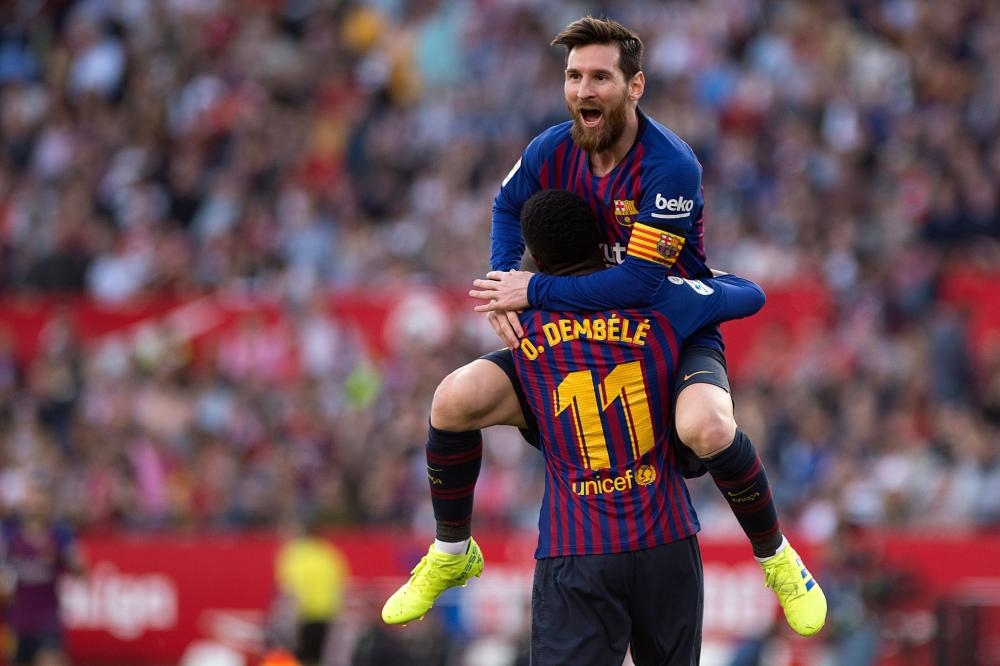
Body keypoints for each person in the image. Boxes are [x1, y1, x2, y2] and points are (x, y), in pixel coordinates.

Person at [384, 15, 825, 638]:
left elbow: (640, 286)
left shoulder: (669, 165)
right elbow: (507, 205)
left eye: (599, 77)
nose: (583, 90)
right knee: (453, 400)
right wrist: (504, 277)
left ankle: (778, 558)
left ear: (635, 85)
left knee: (704, 425)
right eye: (573, 76)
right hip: (575, 331)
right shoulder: (550, 149)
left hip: (667, 327)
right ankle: (452, 553)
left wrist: (531, 288)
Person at [396, 188, 765, 663]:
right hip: (666, 538)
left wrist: (526, 290)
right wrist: (687, 274)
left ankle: (451, 543)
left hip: (576, 547)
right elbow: (750, 295)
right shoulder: (658, 298)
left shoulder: (523, 319)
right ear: (603, 243)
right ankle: (774, 553)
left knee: (452, 400)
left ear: (536, 261)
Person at [0, 477, 86, 666]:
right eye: (32, 496)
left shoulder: (60, 534)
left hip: (47, 621)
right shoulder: (9, 533)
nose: (36, 502)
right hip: (17, 623)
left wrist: (71, 560)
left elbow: (81, 573)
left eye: (41, 497)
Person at [273, 518, 350, 666]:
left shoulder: (293, 554)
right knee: (317, 658)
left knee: (297, 658)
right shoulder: (329, 554)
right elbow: (340, 586)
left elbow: (290, 588)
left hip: (302, 615)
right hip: (327, 614)